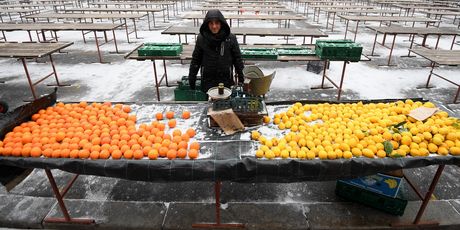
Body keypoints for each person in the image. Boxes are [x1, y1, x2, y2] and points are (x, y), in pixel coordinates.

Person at [188, 9, 245, 93]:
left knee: (225, 103)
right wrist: (192, 78)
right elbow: (196, 60)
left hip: (225, 79)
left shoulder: (230, 38)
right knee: (209, 103)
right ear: (207, 24)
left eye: (217, 23)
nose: (214, 26)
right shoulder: (201, 38)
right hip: (208, 80)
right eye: (211, 23)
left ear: (221, 23)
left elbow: (237, 59)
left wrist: (241, 77)